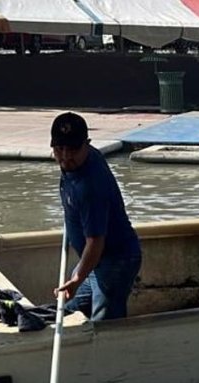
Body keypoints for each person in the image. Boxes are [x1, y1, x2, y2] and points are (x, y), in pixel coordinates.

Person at [49, 111, 142, 320]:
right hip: (94, 262)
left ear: (87, 144)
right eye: (59, 149)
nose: (65, 156)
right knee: (69, 311)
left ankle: (113, 349)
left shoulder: (90, 187)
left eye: (72, 149)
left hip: (115, 260)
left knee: (104, 323)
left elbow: (95, 243)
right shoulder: (77, 162)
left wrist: (77, 278)